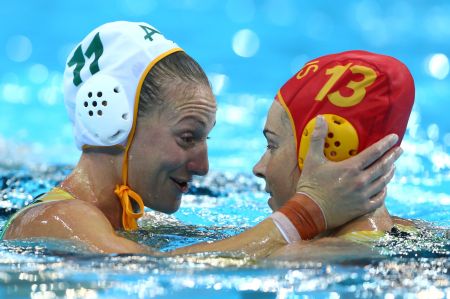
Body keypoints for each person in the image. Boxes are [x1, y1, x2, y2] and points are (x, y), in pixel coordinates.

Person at [0, 22, 400, 256]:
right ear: (108, 120)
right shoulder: (52, 221)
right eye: (188, 137)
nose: (204, 165)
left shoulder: (135, 222)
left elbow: (243, 246)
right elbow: (156, 278)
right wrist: (307, 212)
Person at [250, 50, 416, 259]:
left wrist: (303, 214)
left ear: (332, 152)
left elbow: (197, 264)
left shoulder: (301, 258)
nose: (258, 168)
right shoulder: (408, 232)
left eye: (272, 145)